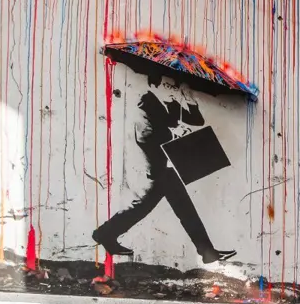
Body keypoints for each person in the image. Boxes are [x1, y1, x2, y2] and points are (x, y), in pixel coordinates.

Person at [92, 74, 236, 265]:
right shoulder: (145, 101)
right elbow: (143, 135)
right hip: (152, 166)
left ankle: (105, 233)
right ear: (156, 83)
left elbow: (196, 120)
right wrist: (171, 135)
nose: (172, 87)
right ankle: (105, 233)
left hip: (165, 168)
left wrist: (189, 99)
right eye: (168, 84)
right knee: (152, 206)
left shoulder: (171, 101)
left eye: (174, 85)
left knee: (171, 207)